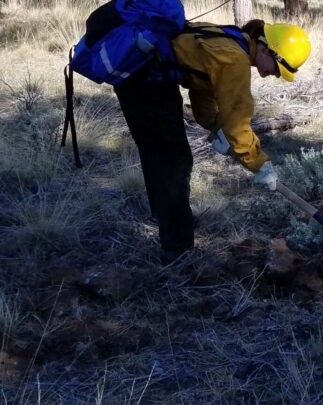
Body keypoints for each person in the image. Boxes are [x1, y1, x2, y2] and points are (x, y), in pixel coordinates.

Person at [114, 18, 311, 264]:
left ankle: (170, 219)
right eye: (277, 68)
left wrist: (215, 127)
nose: (274, 75)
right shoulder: (235, 59)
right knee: (173, 161)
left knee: (166, 156)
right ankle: (177, 251)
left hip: (149, 78)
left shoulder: (231, 43)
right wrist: (259, 163)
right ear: (265, 49)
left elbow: (202, 90)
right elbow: (238, 120)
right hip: (143, 81)